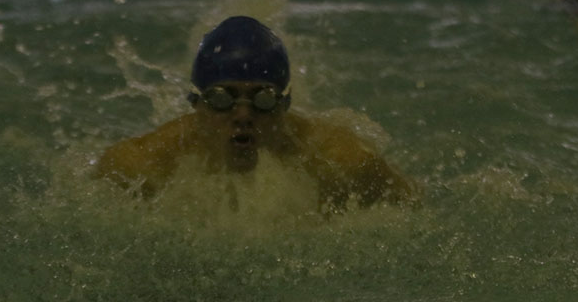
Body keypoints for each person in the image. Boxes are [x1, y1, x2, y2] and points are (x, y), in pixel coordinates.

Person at [95, 16, 418, 210]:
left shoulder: (342, 162)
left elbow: (413, 210)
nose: (243, 114)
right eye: (223, 99)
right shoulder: (139, 166)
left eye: (263, 99)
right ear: (196, 103)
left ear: (285, 106)